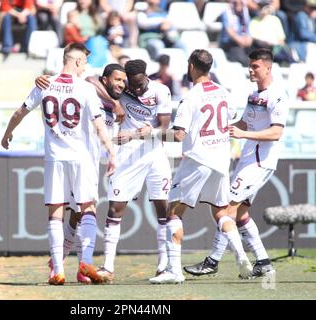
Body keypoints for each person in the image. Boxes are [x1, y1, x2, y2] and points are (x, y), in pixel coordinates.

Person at [1, 43, 116, 285]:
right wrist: (111, 153)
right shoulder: (85, 88)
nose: (85, 67)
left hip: (54, 156)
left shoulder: (44, 84)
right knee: (88, 208)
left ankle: (57, 270)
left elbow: (19, 113)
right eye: (83, 62)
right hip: (81, 157)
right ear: (76, 61)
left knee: (55, 212)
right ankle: (85, 263)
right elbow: (98, 124)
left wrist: (7, 134)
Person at [148, 49, 253, 284]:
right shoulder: (222, 91)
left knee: (173, 212)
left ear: (192, 66)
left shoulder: (191, 97)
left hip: (197, 160)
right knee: (222, 212)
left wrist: (149, 134)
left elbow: (178, 135)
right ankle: (242, 257)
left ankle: (174, 271)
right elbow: (230, 119)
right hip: (220, 159)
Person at [184, 48, 289, 279]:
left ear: (268, 68)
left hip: (260, 162)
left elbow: (275, 133)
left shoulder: (278, 94)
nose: (250, 70)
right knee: (240, 216)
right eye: (249, 66)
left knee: (225, 210)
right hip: (247, 160)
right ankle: (263, 262)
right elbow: (243, 123)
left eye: (255, 67)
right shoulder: (254, 95)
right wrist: (222, 130)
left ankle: (212, 261)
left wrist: (244, 135)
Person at [35, 63, 127, 284]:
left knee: (79, 213)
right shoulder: (92, 88)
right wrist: (114, 103)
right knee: (80, 210)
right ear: (105, 79)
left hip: (102, 159)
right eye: (117, 80)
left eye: (124, 81)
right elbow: (90, 80)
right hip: (82, 158)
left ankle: (65, 263)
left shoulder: (126, 95)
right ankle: (70, 264)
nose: (121, 85)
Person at [96, 59, 173, 283]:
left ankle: (163, 264)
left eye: (140, 85)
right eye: (133, 86)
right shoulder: (122, 88)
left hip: (154, 152)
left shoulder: (161, 91)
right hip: (127, 154)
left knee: (163, 209)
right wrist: (116, 102)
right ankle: (108, 266)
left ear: (146, 77)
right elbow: (92, 81)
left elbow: (165, 129)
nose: (137, 90)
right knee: (115, 208)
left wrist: (138, 133)